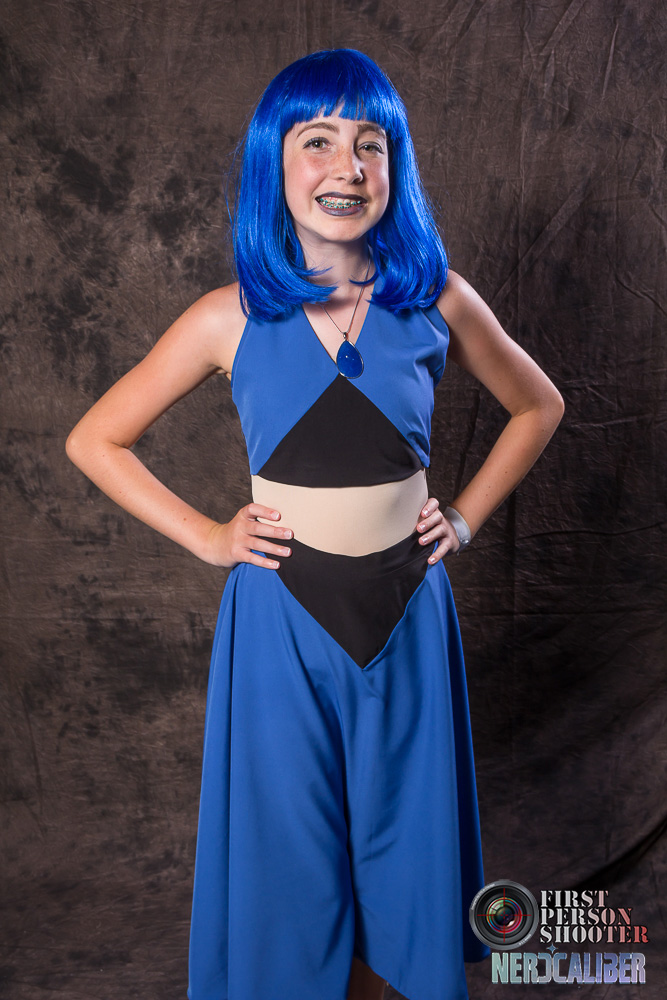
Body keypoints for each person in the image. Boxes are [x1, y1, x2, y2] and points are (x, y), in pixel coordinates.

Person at [66, 48, 564, 1000]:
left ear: (394, 167)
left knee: (401, 847)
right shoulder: (227, 318)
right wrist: (209, 537)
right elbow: (97, 439)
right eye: (318, 142)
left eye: (371, 144)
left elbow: (538, 406)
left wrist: (462, 519)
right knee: (290, 853)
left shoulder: (436, 298)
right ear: (274, 162)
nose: (348, 167)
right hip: (279, 624)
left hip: (407, 614)